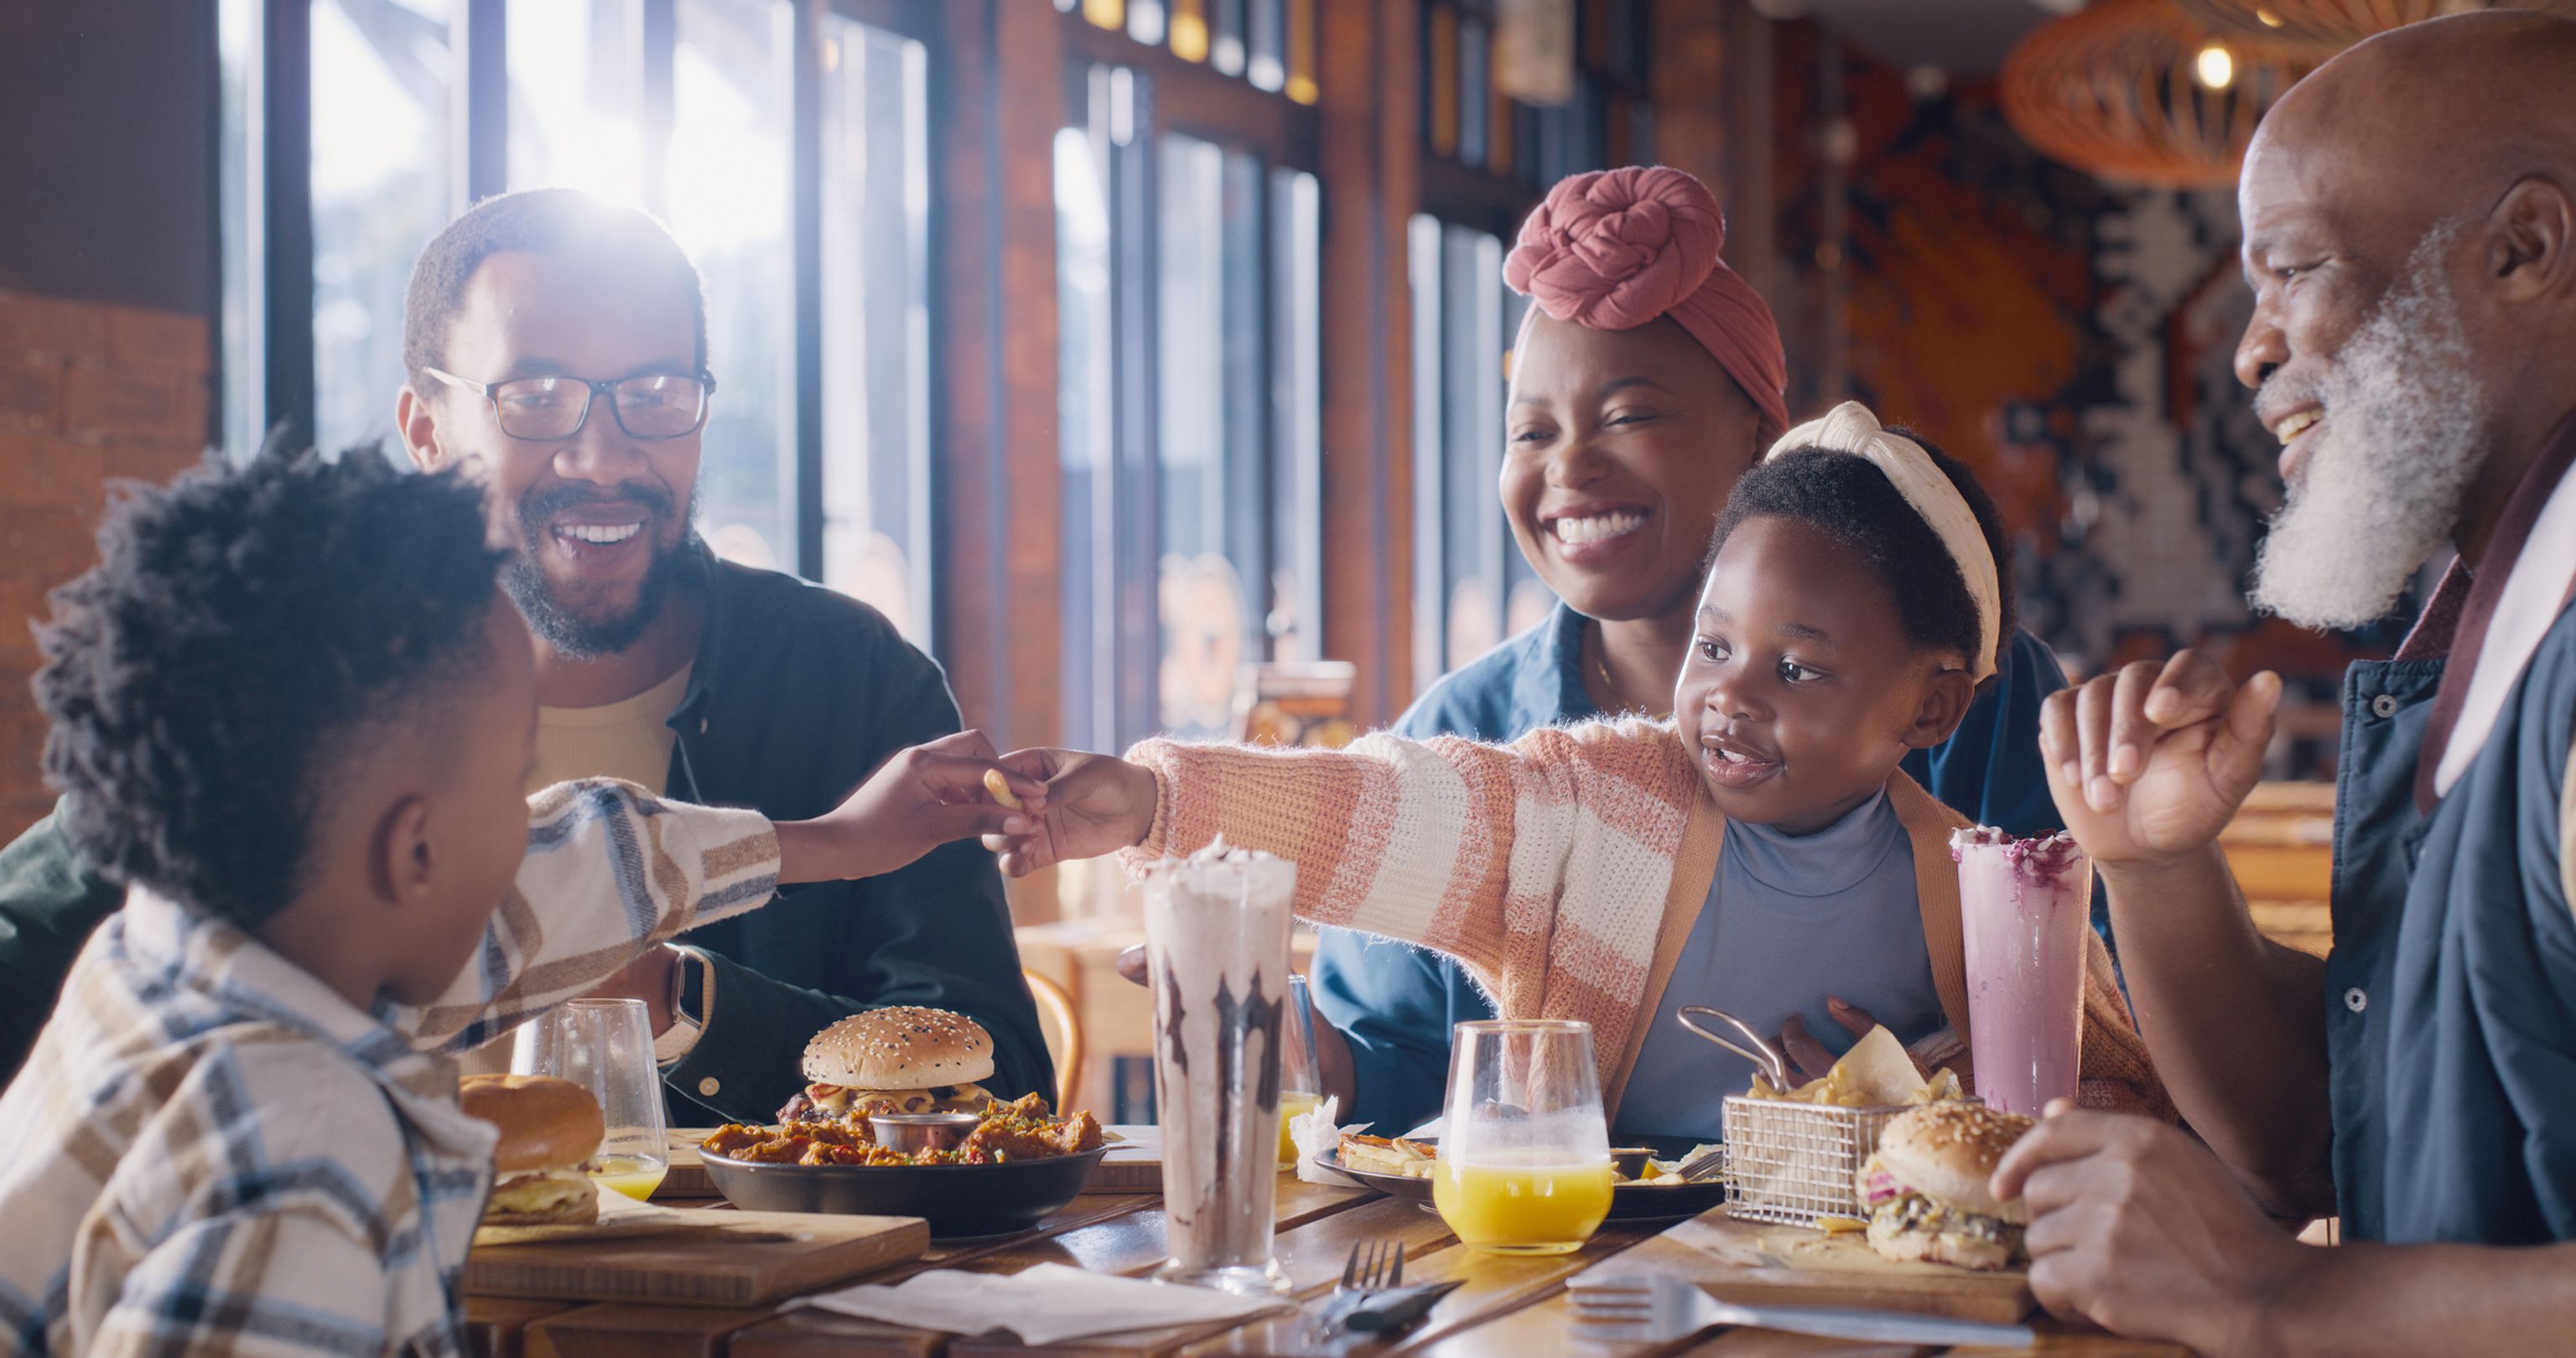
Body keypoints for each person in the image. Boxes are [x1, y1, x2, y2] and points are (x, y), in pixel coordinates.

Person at [0, 189, 1052, 1120]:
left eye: (654, 392)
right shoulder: (291, 677)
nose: (602, 455)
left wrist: (673, 1004)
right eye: (535, 398)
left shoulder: (852, 679)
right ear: (425, 427)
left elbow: (999, 1091)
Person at [0, 444, 1039, 1358]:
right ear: (415, 849)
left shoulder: (168, 966)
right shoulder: (301, 1146)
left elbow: (571, 875)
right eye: (513, 787)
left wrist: (838, 842)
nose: (527, 827)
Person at [996, 402, 2165, 1140]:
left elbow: (2127, 1103)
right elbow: (1394, 809)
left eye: (1800, 671)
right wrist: (1159, 800)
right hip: (1569, 1284)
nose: (1732, 696)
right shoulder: (1601, 805)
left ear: (1932, 705)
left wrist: (1926, 1112)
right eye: (1714, 647)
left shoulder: (1986, 893)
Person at [1987, 13, 2576, 1355]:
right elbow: (2334, 1141)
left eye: (2294, 267)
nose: (2251, 354)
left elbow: (2306, 1254)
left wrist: (2276, 1299)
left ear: (2526, 250)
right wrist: (2156, 867)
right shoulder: (2494, 607)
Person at [1307, 165, 2072, 1137]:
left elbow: (2088, 1015)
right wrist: (1298, 1050)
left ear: (1758, 434)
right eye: (1531, 430)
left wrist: (1920, 1086)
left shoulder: (1983, 704)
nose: (1570, 468)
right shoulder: (1468, 730)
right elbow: (1402, 1072)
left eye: (1627, 416)